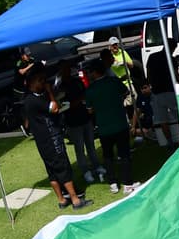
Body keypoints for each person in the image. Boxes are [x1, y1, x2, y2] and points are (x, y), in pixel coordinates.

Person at [23, 66, 91, 210]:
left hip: (43, 142)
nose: (43, 83)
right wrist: (49, 92)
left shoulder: (28, 100)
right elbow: (54, 108)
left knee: (52, 171)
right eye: (40, 81)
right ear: (32, 82)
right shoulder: (33, 100)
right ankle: (75, 200)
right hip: (51, 138)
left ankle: (62, 200)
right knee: (62, 167)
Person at [84, 59, 139, 194]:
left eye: (90, 72)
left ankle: (113, 183)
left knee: (108, 156)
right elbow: (125, 92)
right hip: (120, 124)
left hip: (104, 127)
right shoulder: (114, 82)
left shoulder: (90, 90)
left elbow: (89, 110)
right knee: (124, 154)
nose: (89, 74)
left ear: (95, 72)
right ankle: (127, 183)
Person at [55, 60, 103, 183]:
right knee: (79, 148)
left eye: (68, 68)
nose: (68, 71)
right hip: (73, 121)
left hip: (85, 117)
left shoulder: (77, 81)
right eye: (64, 69)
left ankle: (97, 166)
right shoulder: (60, 87)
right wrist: (76, 102)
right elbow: (62, 105)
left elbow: (85, 94)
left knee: (91, 145)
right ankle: (86, 171)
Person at [145, 51, 179, 150]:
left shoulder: (152, 56)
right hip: (169, 91)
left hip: (157, 92)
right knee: (178, 116)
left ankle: (170, 143)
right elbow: (176, 74)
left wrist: (150, 84)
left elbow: (148, 73)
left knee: (163, 120)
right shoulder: (170, 58)